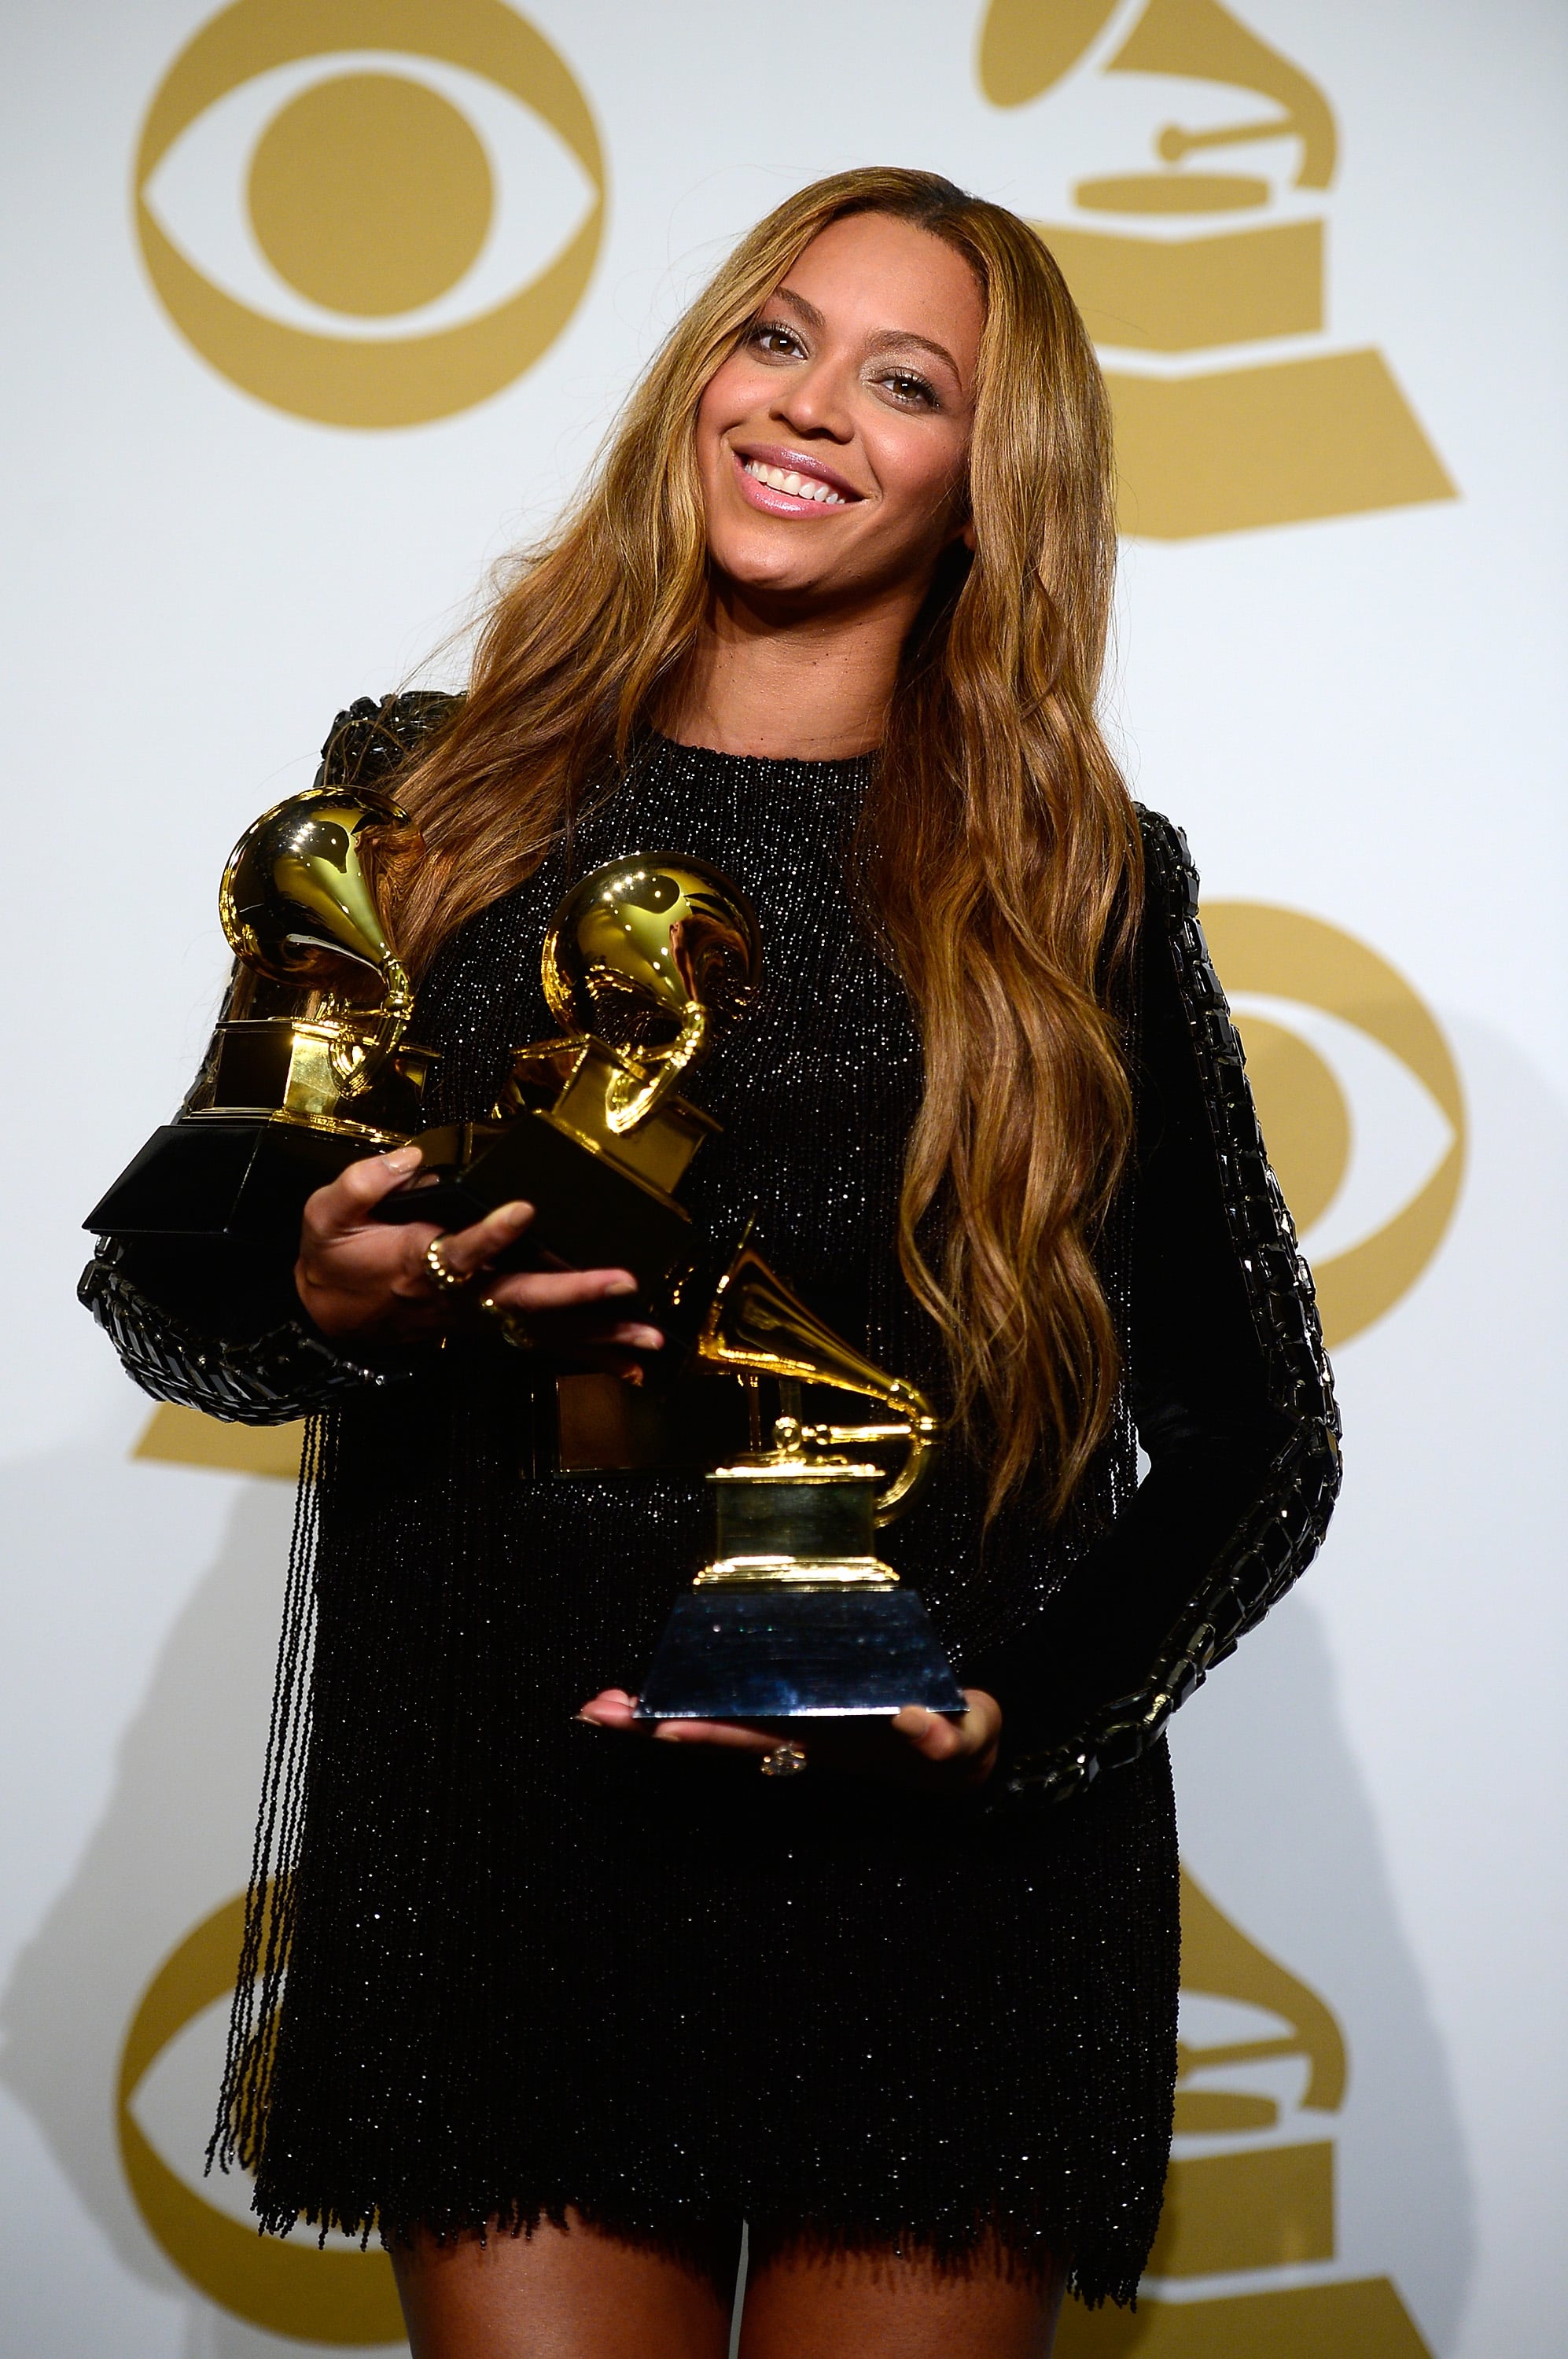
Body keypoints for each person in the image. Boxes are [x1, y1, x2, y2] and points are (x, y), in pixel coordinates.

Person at [83, 168, 1339, 2358]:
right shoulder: (418, 804)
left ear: (986, 485)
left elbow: (1250, 1435)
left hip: (935, 1883)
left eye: (906, 381)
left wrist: (1007, 1719)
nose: (811, 408)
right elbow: (166, 1286)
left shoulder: (1076, 884)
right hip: (506, 1840)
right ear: (698, 379)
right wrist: (326, 1300)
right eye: (774, 337)